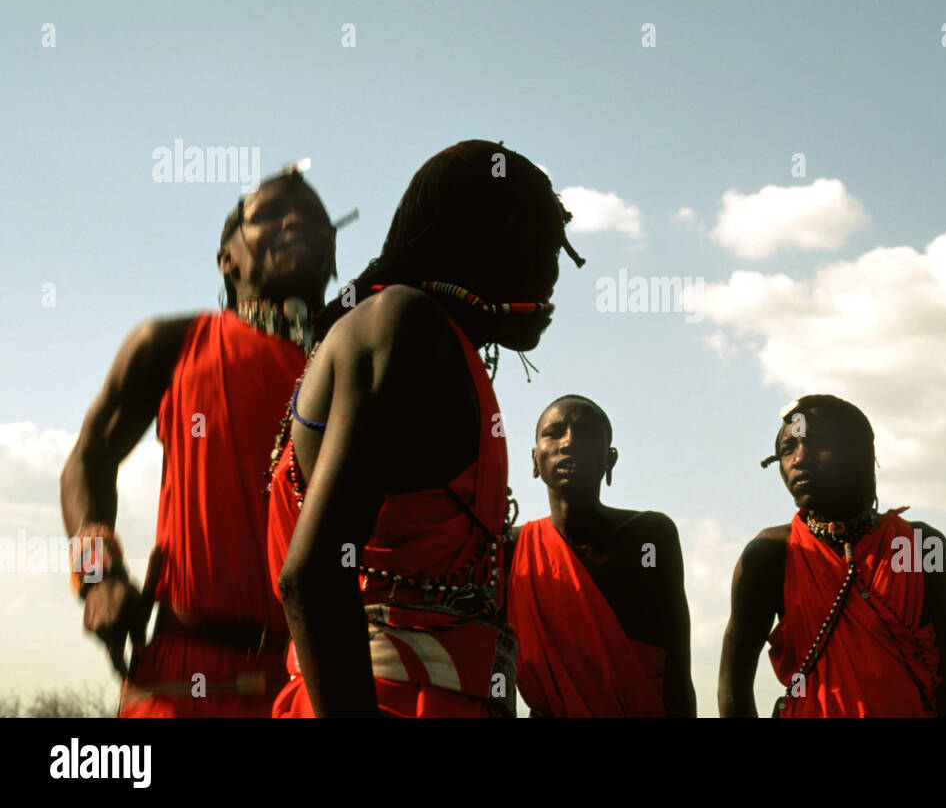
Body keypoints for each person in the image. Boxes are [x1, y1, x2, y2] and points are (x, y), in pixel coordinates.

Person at [267, 139, 582, 717]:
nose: (556, 275)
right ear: (507, 231)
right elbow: (311, 576)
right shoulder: (404, 326)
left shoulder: (417, 335)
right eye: (551, 245)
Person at [60, 164, 337, 717]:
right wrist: (98, 578)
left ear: (333, 262)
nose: (293, 222)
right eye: (268, 215)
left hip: (326, 678)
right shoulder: (173, 343)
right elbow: (88, 458)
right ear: (226, 257)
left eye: (313, 218)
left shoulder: (357, 363)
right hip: (185, 677)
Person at [719, 395, 946, 717]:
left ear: (861, 453)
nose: (798, 460)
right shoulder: (771, 554)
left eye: (816, 443)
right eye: (786, 450)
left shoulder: (922, 546)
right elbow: (733, 689)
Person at [506, 395, 695, 717]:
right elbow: (496, 668)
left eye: (587, 433)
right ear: (535, 460)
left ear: (611, 459)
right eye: (554, 432)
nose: (569, 443)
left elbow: (677, 668)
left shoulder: (649, 536)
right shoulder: (511, 547)